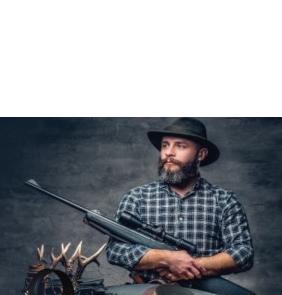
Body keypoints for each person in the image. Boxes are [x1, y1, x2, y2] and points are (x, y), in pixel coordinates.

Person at [106, 119, 254, 283]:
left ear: (201, 154)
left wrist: (192, 266)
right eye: (165, 145)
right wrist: (165, 258)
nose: (169, 153)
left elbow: (244, 252)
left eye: (181, 146)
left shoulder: (224, 200)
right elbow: (115, 250)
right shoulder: (137, 197)